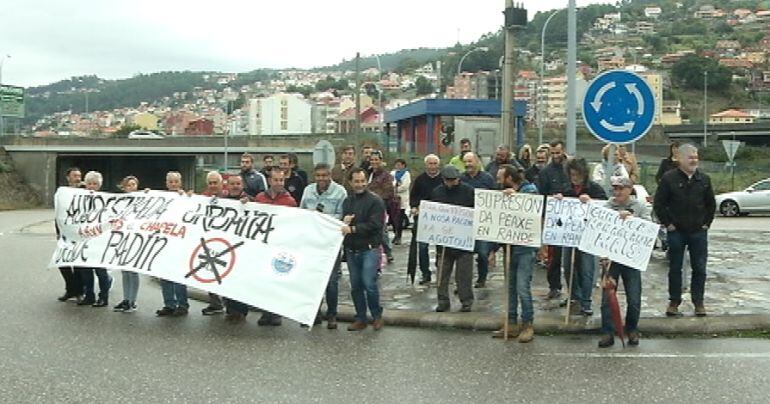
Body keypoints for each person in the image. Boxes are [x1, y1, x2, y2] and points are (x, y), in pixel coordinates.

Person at [654, 143, 715, 317]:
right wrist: (668, 224)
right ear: (679, 159)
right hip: (676, 232)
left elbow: (711, 204)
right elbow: (659, 204)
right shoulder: (668, 179)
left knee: (700, 268)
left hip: (698, 232)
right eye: (690, 157)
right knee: (675, 268)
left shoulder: (704, 179)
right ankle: (674, 302)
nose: (694, 160)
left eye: (696, 157)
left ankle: (699, 302)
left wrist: (706, 224)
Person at [598, 176, 650, 348]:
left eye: (621, 188)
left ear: (630, 190)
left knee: (634, 297)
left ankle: (632, 328)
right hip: (611, 258)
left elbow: (649, 228)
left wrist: (632, 219)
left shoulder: (640, 206)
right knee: (607, 297)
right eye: (615, 189)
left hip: (631, 258)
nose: (618, 192)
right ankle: (607, 331)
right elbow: (599, 228)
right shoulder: (607, 206)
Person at [491, 165, 538, 342]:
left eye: (500, 177)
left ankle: (528, 324)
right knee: (510, 287)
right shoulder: (502, 193)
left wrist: (516, 198)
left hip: (525, 248)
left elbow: (532, 209)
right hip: (509, 245)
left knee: (522, 287)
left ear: (509, 178)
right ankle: (511, 323)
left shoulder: (529, 189)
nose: (497, 181)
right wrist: (494, 248)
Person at [300, 163, 347, 329]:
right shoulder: (308, 191)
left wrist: (322, 218)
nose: (321, 179)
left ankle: (332, 314)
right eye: (318, 176)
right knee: (313, 279)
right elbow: (302, 212)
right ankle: (314, 313)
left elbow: (342, 215)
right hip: (312, 243)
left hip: (330, 243)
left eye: (324, 175)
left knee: (331, 281)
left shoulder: (340, 192)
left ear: (330, 176)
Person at [558, 157, 606, 316]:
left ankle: (586, 301)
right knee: (568, 265)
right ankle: (573, 296)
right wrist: (558, 201)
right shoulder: (566, 189)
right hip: (570, 236)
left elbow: (604, 208)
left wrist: (591, 202)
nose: (574, 178)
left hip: (588, 237)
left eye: (577, 174)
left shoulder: (595, 189)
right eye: (572, 174)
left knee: (587, 268)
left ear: (584, 174)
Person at [342, 168, 386, 331]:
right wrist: (344, 221)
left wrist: (353, 229)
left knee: (369, 284)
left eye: (362, 181)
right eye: (356, 181)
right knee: (355, 286)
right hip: (352, 250)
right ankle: (360, 317)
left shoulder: (375, 201)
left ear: (366, 181)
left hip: (369, 249)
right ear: (351, 183)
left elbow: (376, 225)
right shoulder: (347, 201)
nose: (359, 184)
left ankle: (376, 316)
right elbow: (343, 224)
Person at [253, 168, 298, 326]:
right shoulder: (259, 198)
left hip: (280, 246)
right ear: (270, 180)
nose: (279, 183)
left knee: (277, 279)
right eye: (276, 180)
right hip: (264, 245)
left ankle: (276, 312)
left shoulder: (290, 201)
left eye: (282, 180)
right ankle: (265, 312)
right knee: (264, 280)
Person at [430, 165, 475, 312]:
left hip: (463, 240)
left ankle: (466, 300)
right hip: (444, 240)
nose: (452, 183)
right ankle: (443, 301)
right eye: (449, 180)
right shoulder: (437, 192)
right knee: (442, 273)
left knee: (464, 274)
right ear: (443, 180)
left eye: (454, 180)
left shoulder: (468, 191)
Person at [537, 140, 571, 299]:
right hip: (553, 218)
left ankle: (573, 290)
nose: (556, 156)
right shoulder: (545, 172)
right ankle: (554, 286)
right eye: (553, 153)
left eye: (558, 153)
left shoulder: (571, 168)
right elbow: (541, 196)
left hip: (571, 217)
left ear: (563, 151)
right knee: (553, 256)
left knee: (572, 257)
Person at [219, 174, 255, 323]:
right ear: (228, 186)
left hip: (243, 247)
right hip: (226, 245)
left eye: (238, 184)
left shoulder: (251, 200)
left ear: (242, 186)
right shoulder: (223, 201)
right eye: (232, 184)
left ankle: (241, 311)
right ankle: (230, 309)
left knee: (241, 280)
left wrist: (250, 203)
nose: (235, 186)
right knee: (227, 279)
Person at [156, 171, 190, 317]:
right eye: (170, 181)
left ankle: (182, 304)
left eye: (176, 181)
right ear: (166, 183)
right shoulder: (162, 199)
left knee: (178, 275)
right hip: (165, 242)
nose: (173, 184)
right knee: (165, 275)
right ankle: (169, 304)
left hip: (180, 242)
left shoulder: (186, 198)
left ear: (180, 183)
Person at [77, 171, 113, 308]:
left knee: (100, 271)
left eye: (95, 184)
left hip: (99, 240)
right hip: (84, 239)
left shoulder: (106, 199)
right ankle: (89, 295)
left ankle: (103, 297)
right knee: (85, 270)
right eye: (89, 183)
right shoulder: (79, 199)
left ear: (99, 185)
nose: (92, 186)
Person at [460, 152, 495, 288]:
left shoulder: (488, 178)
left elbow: (496, 196)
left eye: (470, 161)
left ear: (477, 162)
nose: (468, 164)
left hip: (483, 221)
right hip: (465, 221)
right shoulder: (461, 178)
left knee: (482, 252)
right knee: (464, 255)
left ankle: (482, 278)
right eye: (466, 162)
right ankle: (464, 283)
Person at [409, 154, 443, 285]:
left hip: (440, 218)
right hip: (423, 218)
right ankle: (425, 273)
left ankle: (441, 270)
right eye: (430, 163)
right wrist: (414, 207)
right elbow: (413, 197)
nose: (433, 166)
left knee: (441, 246)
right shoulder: (419, 179)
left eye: (435, 163)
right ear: (426, 165)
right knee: (422, 247)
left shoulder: (443, 179)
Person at [200, 171, 228, 315]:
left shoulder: (230, 198)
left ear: (221, 183)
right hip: (209, 240)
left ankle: (230, 305)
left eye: (215, 182)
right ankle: (215, 303)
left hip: (227, 241)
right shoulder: (203, 198)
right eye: (210, 183)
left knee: (226, 274)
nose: (212, 185)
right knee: (210, 273)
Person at [56, 167, 84, 302]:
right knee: (63, 263)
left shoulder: (86, 191)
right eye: (74, 175)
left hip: (81, 233)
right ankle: (70, 289)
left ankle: (78, 291)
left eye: (79, 176)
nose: (77, 178)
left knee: (78, 264)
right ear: (68, 178)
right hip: (66, 233)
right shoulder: (62, 193)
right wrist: (58, 232)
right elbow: (58, 214)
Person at [113, 175, 141, 313]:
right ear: (124, 187)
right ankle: (126, 299)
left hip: (136, 239)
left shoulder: (143, 200)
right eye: (129, 185)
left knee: (133, 271)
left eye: (134, 185)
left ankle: (132, 301)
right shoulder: (120, 202)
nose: (132, 188)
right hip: (123, 239)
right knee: (125, 271)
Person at [366, 150, 395, 263]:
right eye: (372, 160)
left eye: (376, 159)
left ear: (381, 161)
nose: (374, 162)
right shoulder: (368, 174)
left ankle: (388, 252)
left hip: (379, 207)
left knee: (381, 231)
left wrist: (376, 199)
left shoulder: (386, 176)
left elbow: (389, 192)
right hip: (366, 207)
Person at [390, 158, 411, 245]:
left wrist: (396, 189)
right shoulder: (392, 173)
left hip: (402, 199)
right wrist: (392, 189)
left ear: (403, 165)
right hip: (393, 199)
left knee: (399, 218)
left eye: (400, 165)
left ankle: (399, 235)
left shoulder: (406, 174)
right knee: (393, 218)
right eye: (396, 165)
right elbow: (390, 182)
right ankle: (395, 233)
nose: (398, 166)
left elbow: (405, 186)